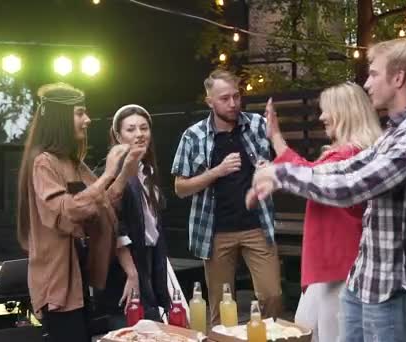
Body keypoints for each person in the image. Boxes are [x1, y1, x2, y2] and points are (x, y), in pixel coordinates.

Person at [246, 38, 406, 342]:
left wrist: (281, 174)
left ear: (398, 78)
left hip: (394, 287)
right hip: (366, 279)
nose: (367, 83)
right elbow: (349, 167)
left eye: (373, 73)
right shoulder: (396, 131)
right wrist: (278, 172)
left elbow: (355, 185)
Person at [16, 83, 145, 342]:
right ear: (60, 118)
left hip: (78, 275)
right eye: (79, 113)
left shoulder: (71, 162)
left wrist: (124, 173)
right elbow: (70, 209)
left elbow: (99, 204)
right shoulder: (43, 162)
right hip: (57, 281)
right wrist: (108, 173)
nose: (87, 120)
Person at [264, 82, 382, 342]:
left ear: (343, 112)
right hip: (332, 263)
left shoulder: (352, 155)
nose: (320, 117)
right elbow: (309, 174)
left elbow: (310, 178)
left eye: (325, 110)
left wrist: (275, 157)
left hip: (339, 263)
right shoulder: (347, 154)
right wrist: (275, 137)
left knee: (320, 334)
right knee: (306, 330)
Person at [171, 69, 283, 326]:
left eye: (236, 96)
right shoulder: (193, 136)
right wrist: (217, 171)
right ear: (209, 101)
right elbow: (180, 188)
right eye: (224, 98)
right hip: (215, 230)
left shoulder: (257, 124)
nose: (233, 104)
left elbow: (280, 166)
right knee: (223, 307)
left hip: (257, 225)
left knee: (272, 295)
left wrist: (269, 170)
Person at [100, 104, 172, 326]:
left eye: (144, 128)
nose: (139, 134)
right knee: (131, 327)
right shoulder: (111, 171)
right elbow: (113, 225)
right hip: (126, 264)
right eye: (131, 129)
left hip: (150, 259)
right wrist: (132, 273)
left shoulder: (147, 169)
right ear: (118, 135)